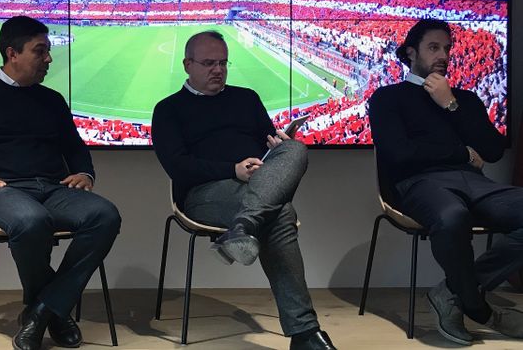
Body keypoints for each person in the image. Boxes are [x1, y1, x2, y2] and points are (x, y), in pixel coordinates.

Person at [0, 16, 121, 350]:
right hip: (2, 191)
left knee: (106, 215)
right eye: (40, 51)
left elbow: (74, 147)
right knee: (31, 221)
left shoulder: (52, 100)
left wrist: (85, 173)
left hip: (54, 189)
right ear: (12, 53)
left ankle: (41, 311)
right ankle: (55, 312)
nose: (49, 59)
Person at [151, 30, 337, 350]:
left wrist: (278, 148)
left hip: (254, 186)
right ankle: (305, 333)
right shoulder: (168, 109)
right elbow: (177, 167)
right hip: (203, 194)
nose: (218, 69)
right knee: (281, 213)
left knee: (295, 150)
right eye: (209, 63)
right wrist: (231, 170)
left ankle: (243, 226)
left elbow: (269, 147)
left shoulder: (246, 97)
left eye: (223, 62)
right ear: (187, 64)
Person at [368, 18, 523, 345]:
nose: (443, 55)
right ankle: (479, 308)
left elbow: (493, 151)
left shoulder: (463, 100)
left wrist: (451, 105)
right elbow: (399, 155)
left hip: (474, 184)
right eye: (433, 47)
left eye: (447, 48)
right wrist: (461, 153)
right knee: (453, 216)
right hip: (418, 185)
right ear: (411, 52)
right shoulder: (387, 98)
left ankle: (453, 291)